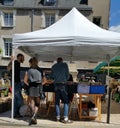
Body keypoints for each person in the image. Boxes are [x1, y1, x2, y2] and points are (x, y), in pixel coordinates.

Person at [51, 57, 72, 123]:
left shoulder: (53, 66)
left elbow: (52, 77)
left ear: (57, 61)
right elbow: (68, 75)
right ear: (62, 61)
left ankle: (57, 117)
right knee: (66, 101)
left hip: (56, 85)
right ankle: (65, 118)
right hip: (63, 85)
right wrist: (65, 79)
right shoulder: (65, 65)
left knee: (57, 102)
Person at [24, 57, 44, 125]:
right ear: (37, 62)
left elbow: (25, 81)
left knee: (31, 103)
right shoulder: (40, 70)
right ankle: (34, 115)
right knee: (37, 103)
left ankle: (33, 116)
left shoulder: (28, 70)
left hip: (31, 87)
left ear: (31, 63)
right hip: (38, 87)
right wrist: (41, 84)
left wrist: (29, 84)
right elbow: (45, 81)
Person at [7, 53, 25, 118]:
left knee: (16, 100)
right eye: (23, 57)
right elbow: (8, 68)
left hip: (17, 83)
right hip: (14, 83)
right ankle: (15, 113)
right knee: (20, 100)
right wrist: (11, 61)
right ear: (19, 57)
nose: (24, 59)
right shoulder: (15, 62)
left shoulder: (18, 63)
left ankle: (15, 113)